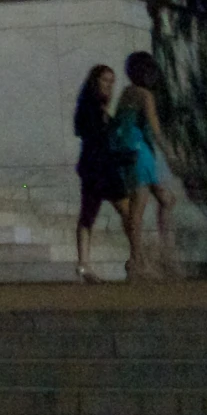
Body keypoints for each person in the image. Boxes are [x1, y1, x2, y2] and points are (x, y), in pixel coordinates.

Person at [113, 50, 179, 280]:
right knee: (139, 208)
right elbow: (155, 129)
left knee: (165, 199)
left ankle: (164, 255)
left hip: (130, 153)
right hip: (142, 153)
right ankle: (137, 259)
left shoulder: (125, 94)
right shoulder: (145, 95)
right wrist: (171, 154)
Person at [73, 64, 129, 283]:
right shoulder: (92, 107)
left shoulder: (95, 106)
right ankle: (137, 256)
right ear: (95, 81)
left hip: (94, 166)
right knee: (125, 212)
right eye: (105, 80)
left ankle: (84, 264)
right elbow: (94, 136)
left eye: (111, 81)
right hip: (101, 167)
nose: (109, 85)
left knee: (89, 215)